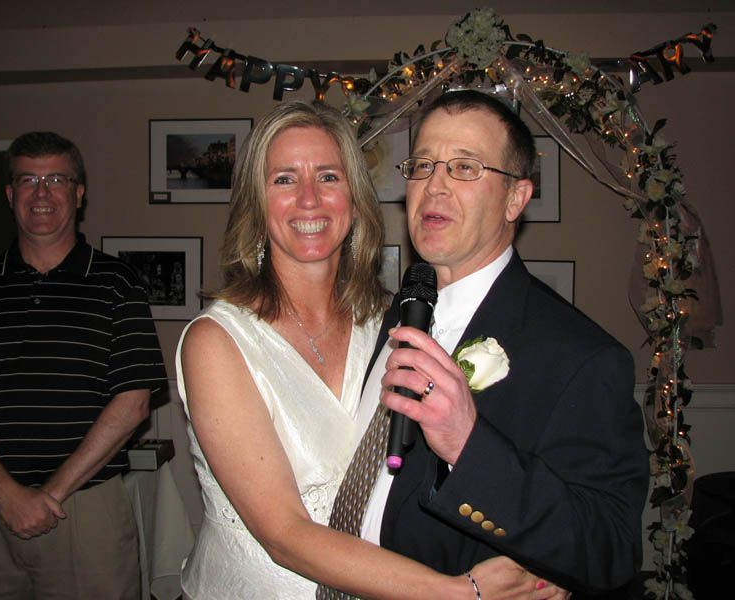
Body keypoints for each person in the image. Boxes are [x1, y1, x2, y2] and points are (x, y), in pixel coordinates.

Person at [176, 100, 567, 599]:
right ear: (256, 203)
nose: (310, 200)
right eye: (284, 180)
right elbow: (284, 535)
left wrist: (538, 563)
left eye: (328, 177)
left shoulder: (392, 324)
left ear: (356, 198)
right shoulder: (217, 342)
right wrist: (460, 593)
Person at [343, 90, 649, 597]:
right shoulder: (381, 317)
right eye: (423, 165)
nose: (434, 186)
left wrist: (470, 446)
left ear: (515, 198)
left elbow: (610, 550)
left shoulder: (583, 358)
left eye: (465, 168)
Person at [0, 132, 167, 598]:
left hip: (83, 510)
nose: (42, 192)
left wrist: (50, 495)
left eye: (56, 179)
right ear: (10, 195)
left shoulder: (118, 283)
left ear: (78, 193)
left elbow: (133, 403)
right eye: (28, 180)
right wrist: (7, 494)